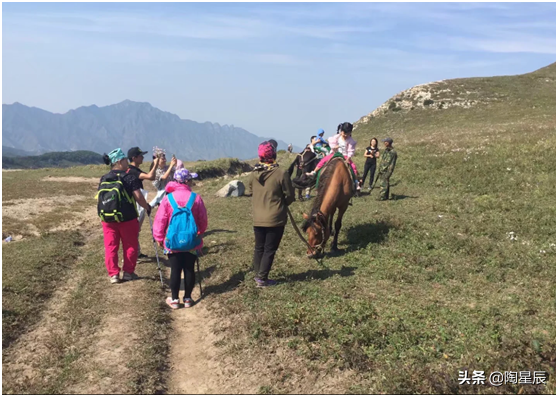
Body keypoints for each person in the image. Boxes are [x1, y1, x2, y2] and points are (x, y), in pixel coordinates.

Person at [153, 168, 208, 309]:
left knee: (175, 270)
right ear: (187, 181)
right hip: (191, 241)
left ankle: (175, 300)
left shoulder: (168, 198)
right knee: (189, 268)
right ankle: (188, 298)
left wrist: (159, 237)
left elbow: (160, 220)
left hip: (173, 242)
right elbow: (203, 220)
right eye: (191, 179)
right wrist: (200, 234)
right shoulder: (196, 198)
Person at [98, 148, 152, 284]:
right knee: (130, 245)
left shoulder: (104, 178)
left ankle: (113, 274)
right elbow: (139, 197)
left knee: (111, 246)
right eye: (125, 160)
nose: (127, 162)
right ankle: (128, 272)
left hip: (108, 218)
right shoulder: (129, 177)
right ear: (119, 161)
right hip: (127, 217)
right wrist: (147, 207)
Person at [248, 140, 295, 287]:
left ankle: (258, 275)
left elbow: (250, 191)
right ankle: (262, 278)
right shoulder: (281, 173)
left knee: (259, 247)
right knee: (270, 249)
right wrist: (281, 203)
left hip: (258, 218)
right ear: (273, 154)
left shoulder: (253, 174)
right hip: (275, 218)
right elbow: (290, 196)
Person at [127, 147, 160, 259]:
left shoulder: (134, 170)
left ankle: (136, 252)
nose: (142, 157)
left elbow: (152, 176)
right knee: (135, 229)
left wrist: (154, 164)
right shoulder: (132, 170)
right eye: (140, 155)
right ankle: (132, 254)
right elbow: (151, 177)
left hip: (136, 202)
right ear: (134, 158)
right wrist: (155, 164)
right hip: (136, 202)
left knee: (135, 229)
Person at [307, 122, 359, 190]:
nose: (346, 135)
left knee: (353, 167)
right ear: (341, 131)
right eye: (344, 133)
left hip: (345, 155)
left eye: (348, 133)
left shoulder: (350, 141)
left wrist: (348, 158)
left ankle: (355, 181)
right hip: (335, 153)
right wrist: (336, 146)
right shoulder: (337, 137)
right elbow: (332, 146)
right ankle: (314, 172)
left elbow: (350, 150)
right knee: (323, 160)